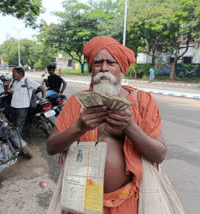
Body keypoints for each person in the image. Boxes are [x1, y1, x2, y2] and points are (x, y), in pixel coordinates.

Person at [47, 36, 167, 214]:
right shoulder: (75, 103)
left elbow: (159, 154)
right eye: (98, 63)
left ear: (121, 68)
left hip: (129, 203)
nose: (104, 68)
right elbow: (51, 147)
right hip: (81, 202)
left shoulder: (142, 101)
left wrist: (130, 127)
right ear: (91, 69)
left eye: (111, 62)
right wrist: (78, 127)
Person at [7, 67, 46, 136]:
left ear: (20, 74)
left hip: (22, 107)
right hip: (14, 106)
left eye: (14, 73)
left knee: (19, 125)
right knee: (15, 123)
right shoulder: (15, 82)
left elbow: (42, 87)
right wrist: (10, 92)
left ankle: (18, 140)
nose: (12, 75)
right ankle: (16, 138)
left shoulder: (27, 81)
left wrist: (43, 98)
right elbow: (15, 94)